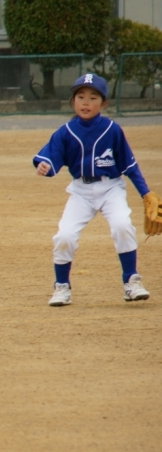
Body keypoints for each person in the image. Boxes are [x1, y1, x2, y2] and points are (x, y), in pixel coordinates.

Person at [33, 73, 151, 307]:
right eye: (80, 97)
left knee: (122, 225)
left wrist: (145, 193)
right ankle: (62, 287)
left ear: (104, 103)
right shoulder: (66, 131)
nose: (86, 102)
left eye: (93, 98)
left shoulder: (112, 130)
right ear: (73, 101)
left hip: (111, 188)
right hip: (81, 191)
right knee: (64, 236)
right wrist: (44, 166)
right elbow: (50, 158)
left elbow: (130, 166)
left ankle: (131, 281)